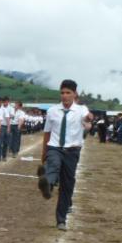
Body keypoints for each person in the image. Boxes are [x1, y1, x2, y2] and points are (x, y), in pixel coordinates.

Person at [37, 79, 92, 230]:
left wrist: (89, 119)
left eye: (68, 93)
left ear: (75, 94)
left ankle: (61, 219)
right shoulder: (52, 111)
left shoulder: (81, 110)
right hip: (55, 147)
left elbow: (88, 118)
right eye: (62, 93)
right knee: (53, 166)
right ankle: (47, 184)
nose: (65, 96)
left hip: (72, 151)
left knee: (67, 185)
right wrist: (44, 151)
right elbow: (47, 133)